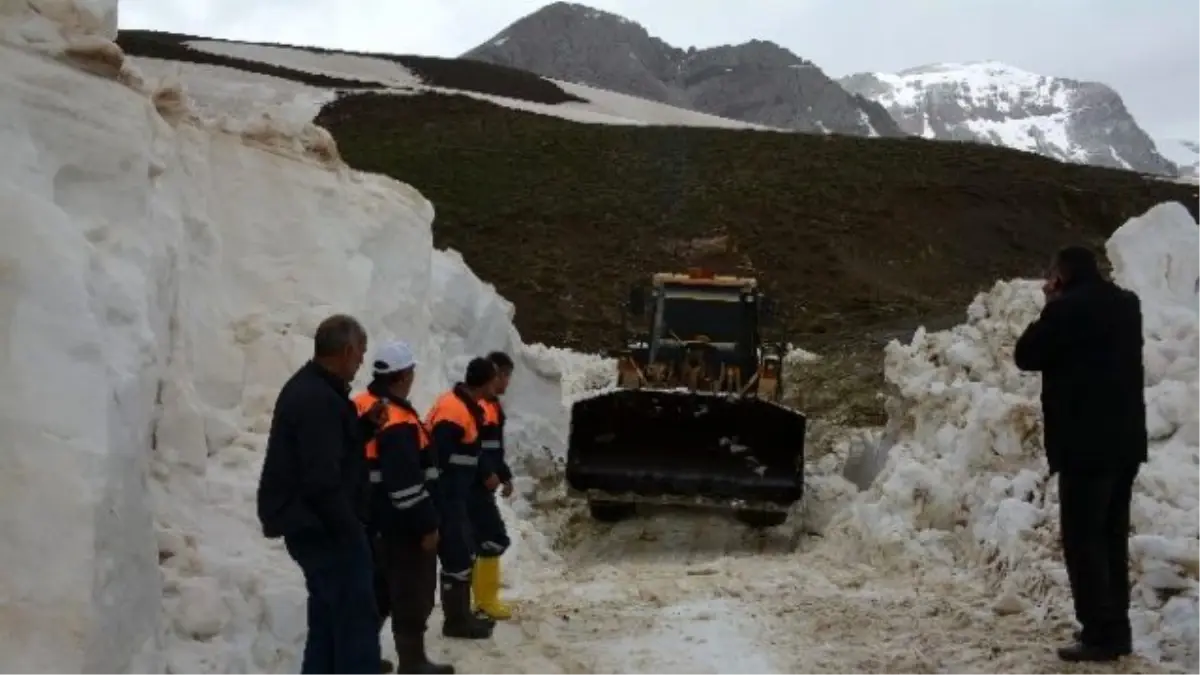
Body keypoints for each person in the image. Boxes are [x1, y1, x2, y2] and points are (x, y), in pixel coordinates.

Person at [1014, 246, 1147, 663]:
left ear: (1062, 276)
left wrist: (1052, 304)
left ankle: (1098, 634)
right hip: (1124, 442)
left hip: (1083, 445)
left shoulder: (1065, 310)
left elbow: (1026, 355)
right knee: (1110, 537)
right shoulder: (1126, 306)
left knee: (1083, 541)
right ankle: (1117, 629)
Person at [257, 314, 382, 675]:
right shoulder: (318, 399)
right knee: (355, 622)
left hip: (312, 522)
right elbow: (321, 479)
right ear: (346, 351)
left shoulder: (315, 389)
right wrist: (350, 530)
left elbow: (329, 451)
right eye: (360, 353)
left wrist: (362, 427)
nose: (361, 362)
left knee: (330, 620)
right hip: (323, 527)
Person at [353, 341, 455, 675]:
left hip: (373, 521)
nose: (413, 378)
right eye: (411, 372)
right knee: (412, 593)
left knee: (379, 591)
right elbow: (405, 484)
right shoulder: (396, 420)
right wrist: (426, 525)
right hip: (401, 526)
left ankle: (361, 657)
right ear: (402, 376)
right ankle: (413, 663)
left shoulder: (362, 404)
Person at [425, 358, 499, 640]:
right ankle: (456, 621)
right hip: (446, 495)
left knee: (463, 553)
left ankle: (461, 616)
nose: (497, 385)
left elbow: (468, 452)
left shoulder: (466, 407)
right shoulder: (452, 412)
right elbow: (437, 458)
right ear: (485, 382)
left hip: (458, 494)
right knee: (456, 555)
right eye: (494, 380)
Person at [468, 351, 516, 620]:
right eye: (505, 376)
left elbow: (494, 449)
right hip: (474, 486)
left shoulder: (492, 406)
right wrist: (487, 472)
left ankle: (483, 598)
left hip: (481, 483)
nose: (506, 382)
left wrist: (504, 475)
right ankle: (484, 601)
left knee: (487, 539)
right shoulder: (482, 407)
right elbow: (476, 447)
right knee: (492, 538)